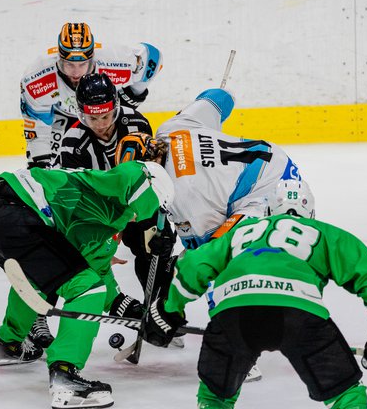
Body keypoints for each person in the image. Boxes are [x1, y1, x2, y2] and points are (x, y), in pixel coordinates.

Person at [141, 179, 367, 409]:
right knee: (345, 392)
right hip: (299, 314)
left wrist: (170, 309)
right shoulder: (323, 232)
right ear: (311, 213)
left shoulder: (241, 233)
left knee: (215, 395)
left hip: (234, 314)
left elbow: (193, 266)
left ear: (269, 210)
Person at [114, 87, 308, 378]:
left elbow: (206, 258)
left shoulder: (186, 194)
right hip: (273, 161)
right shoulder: (173, 127)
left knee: (222, 262)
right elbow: (219, 97)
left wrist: (169, 306)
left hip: (274, 199)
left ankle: (239, 348)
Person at [0, 160, 175, 408]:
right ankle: (65, 375)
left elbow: (95, 272)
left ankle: (9, 345)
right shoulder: (123, 186)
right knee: (86, 288)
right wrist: (150, 221)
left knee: (44, 277)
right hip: (17, 216)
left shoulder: (103, 218)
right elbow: (138, 175)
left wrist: (136, 312)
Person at [19, 21, 163, 353]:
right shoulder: (37, 80)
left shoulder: (117, 61)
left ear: (92, 55)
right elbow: (37, 133)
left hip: (103, 106)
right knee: (55, 224)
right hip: (58, 120)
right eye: (68, 62)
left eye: (82, 62)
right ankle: (36, 316)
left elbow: (151, 58)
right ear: (58, 56)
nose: (75, 70)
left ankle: (155, 305)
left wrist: (135, 92)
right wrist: (44, 178)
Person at [60, 72, 178, 319]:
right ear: (82, 113)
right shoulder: (72, 141)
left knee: (155, 246)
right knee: (75, 254)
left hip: (133, 203)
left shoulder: (136, 124)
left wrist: (160, 221)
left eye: (106, 116)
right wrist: (107, 239)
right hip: (97, 210)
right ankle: (114, 302)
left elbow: (150, 176)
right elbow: (77, 201)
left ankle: (157, 309)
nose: (101, 124)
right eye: (93, 118)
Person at [21, 22, 162, 170]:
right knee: (55, 169)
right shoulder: (37, 78)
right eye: (69, 65)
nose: (76, 73)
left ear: (93, 58)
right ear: (59, 59)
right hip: (60, 116)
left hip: (102, 112)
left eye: (82, 65)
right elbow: (37, 126)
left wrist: (128, 98)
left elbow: (153, 57)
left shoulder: (114, 61)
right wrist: (40, 164)